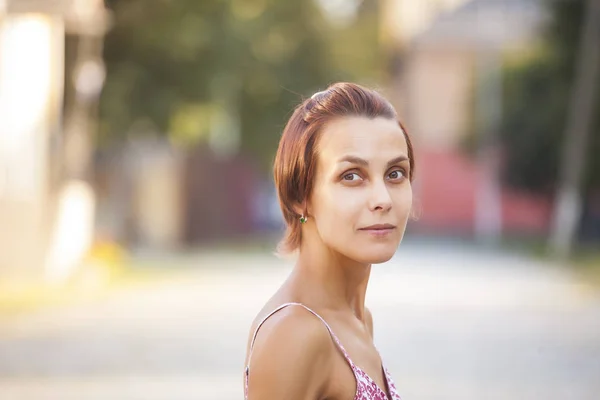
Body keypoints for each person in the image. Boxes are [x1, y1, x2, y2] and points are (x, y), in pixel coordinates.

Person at [243, 82, 415, 400]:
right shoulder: (295, 333)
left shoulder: (358, 319)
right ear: (299, 195)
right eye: (351, 175)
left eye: (395, 174)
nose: (382, 199)